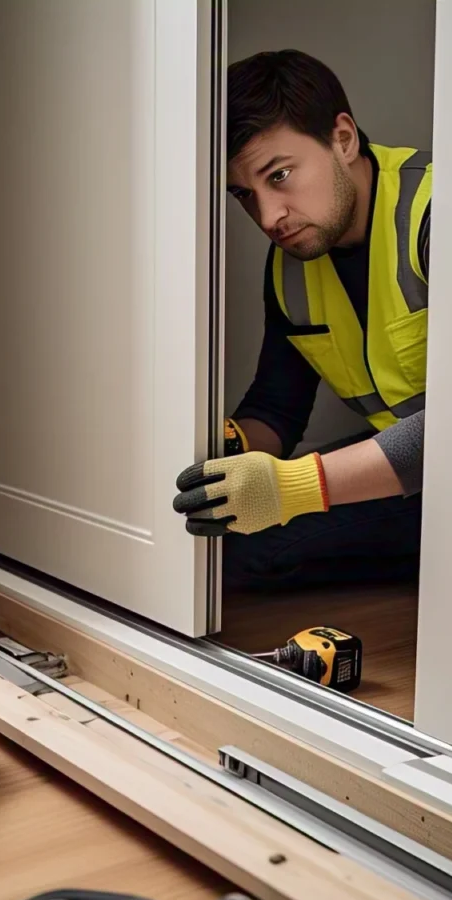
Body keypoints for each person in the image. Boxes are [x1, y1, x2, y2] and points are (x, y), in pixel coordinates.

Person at [173, 49, 431, 590]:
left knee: (248, 551)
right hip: (401, 465)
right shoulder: (293, 263)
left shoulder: (441, 214)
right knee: (212, 532)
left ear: (343, 138)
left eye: (281, 175)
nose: (268, 217)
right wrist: (218, 452)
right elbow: (276, 408)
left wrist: (291, 490)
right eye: (245, 194)